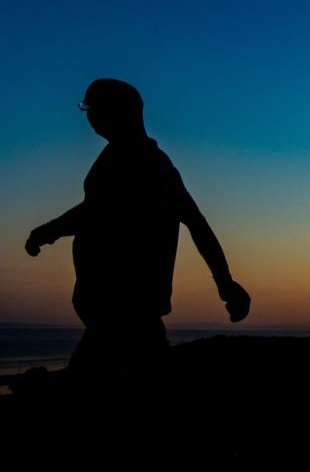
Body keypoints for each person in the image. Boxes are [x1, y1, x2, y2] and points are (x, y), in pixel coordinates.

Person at [25, 78, 250, 376]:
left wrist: (47, 232)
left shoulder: (142, 161)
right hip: (120, 313)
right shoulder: (140, 160)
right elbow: (194, 222)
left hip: (121, 311)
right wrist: (225, 283)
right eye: (87, 109)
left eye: (92, 108)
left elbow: (97, 212)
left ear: (120, 111)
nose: (90, 116)